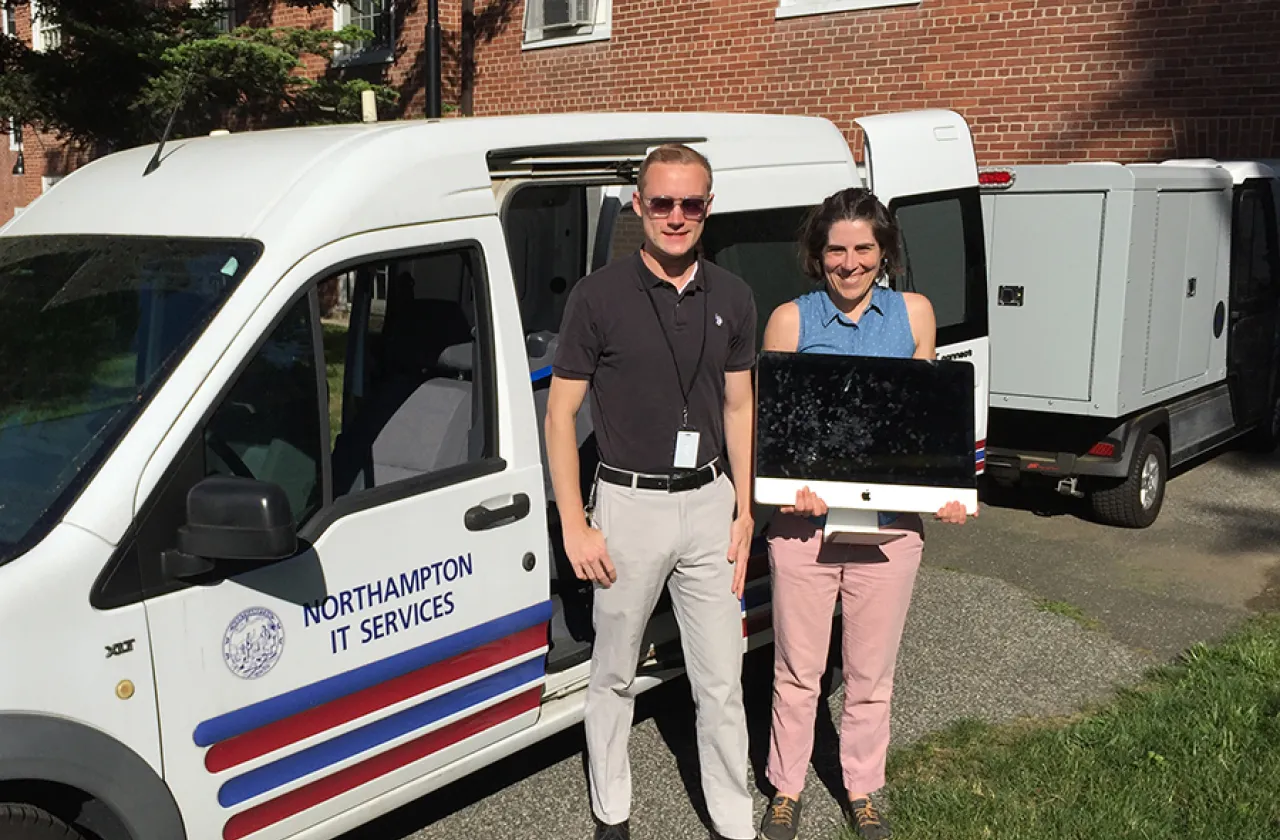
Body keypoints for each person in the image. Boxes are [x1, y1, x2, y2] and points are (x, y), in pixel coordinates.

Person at [545, 143, 759, 840]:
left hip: (708, 504)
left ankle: (734, 819)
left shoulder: (733, 295)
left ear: (708, 208)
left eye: (689, 203)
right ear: (638, 206)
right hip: (628, 503)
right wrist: (576, 525)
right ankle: (612, 812)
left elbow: (738, 409)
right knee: (612, 673)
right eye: (661, 202)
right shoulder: (597, 296)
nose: (675, 216)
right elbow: (560, 414)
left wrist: (745, 509)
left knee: (722, 680)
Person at [755, 188, 974, 840]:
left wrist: (946, 491)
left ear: (885, 253)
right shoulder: (790, 322)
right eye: (835, 250)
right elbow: (771, 429)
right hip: (805, 526)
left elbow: (920, 428)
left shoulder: (914, 315)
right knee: (798, 671)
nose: (848, 263)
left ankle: (863, 788)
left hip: (889, 530)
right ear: (816, 255)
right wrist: (786, 486)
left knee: (870, 674)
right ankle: (786, 790)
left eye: (862, 249)